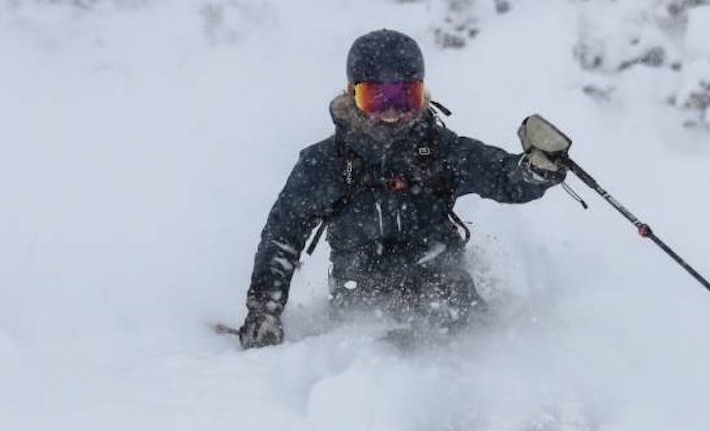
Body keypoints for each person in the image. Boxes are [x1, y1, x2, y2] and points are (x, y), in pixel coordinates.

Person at [238, 28, 569, 349]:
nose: (393, 113)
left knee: (481, 349)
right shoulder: (326, 163)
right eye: (376, 98)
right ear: (352, 95)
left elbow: (500, 176)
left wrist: (533, 171)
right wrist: (264, 310)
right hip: (364, 306)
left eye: (405, 97)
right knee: (379, 358)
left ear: (422, 95)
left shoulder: (440, 149)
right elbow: (282, 237)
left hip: (449, 299)